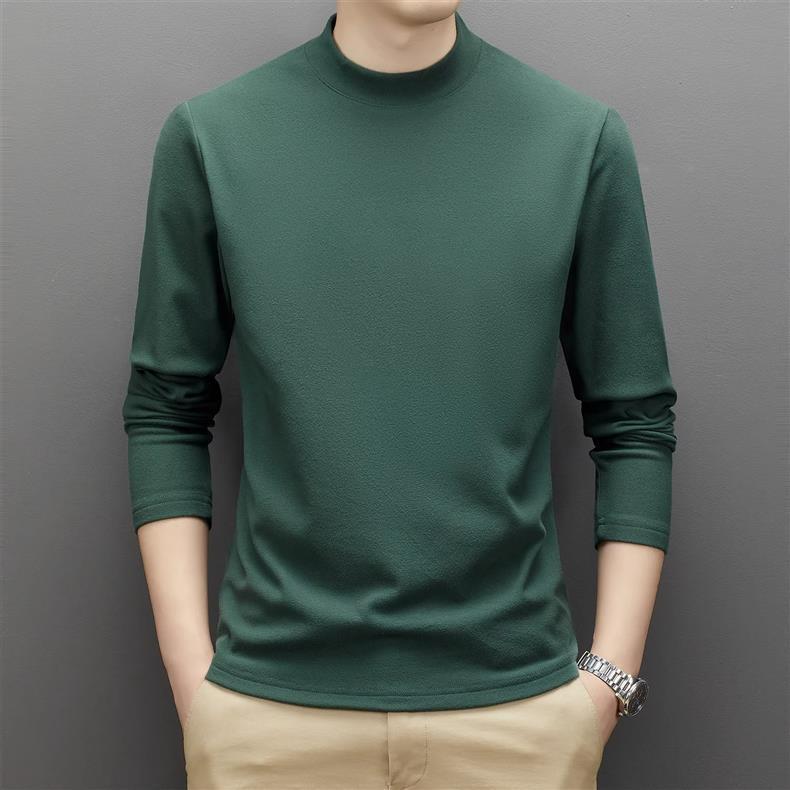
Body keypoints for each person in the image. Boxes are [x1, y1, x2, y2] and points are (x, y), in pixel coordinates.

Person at [121, 1, 678, 787]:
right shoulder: (215, 136)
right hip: (270, 723)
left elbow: (635, 422)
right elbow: (165, 408)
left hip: (519, 724)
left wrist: (608, 684)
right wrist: (196, 685)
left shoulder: (575, 139)